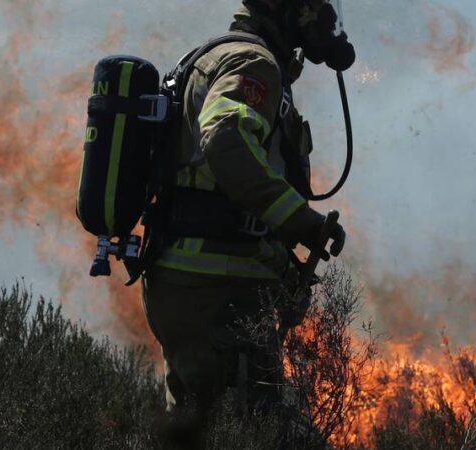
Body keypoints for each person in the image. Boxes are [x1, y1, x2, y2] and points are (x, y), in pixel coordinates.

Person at [141, 0, 355, 447]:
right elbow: (225, 142)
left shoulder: (219, 55)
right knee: (248, 433)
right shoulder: (253, 63)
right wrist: (302, 222)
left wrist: (283, 269)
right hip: (215, 289)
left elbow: (228, 198)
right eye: (314, 4)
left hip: (197, 281)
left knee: (198, 432)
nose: (326, 17)